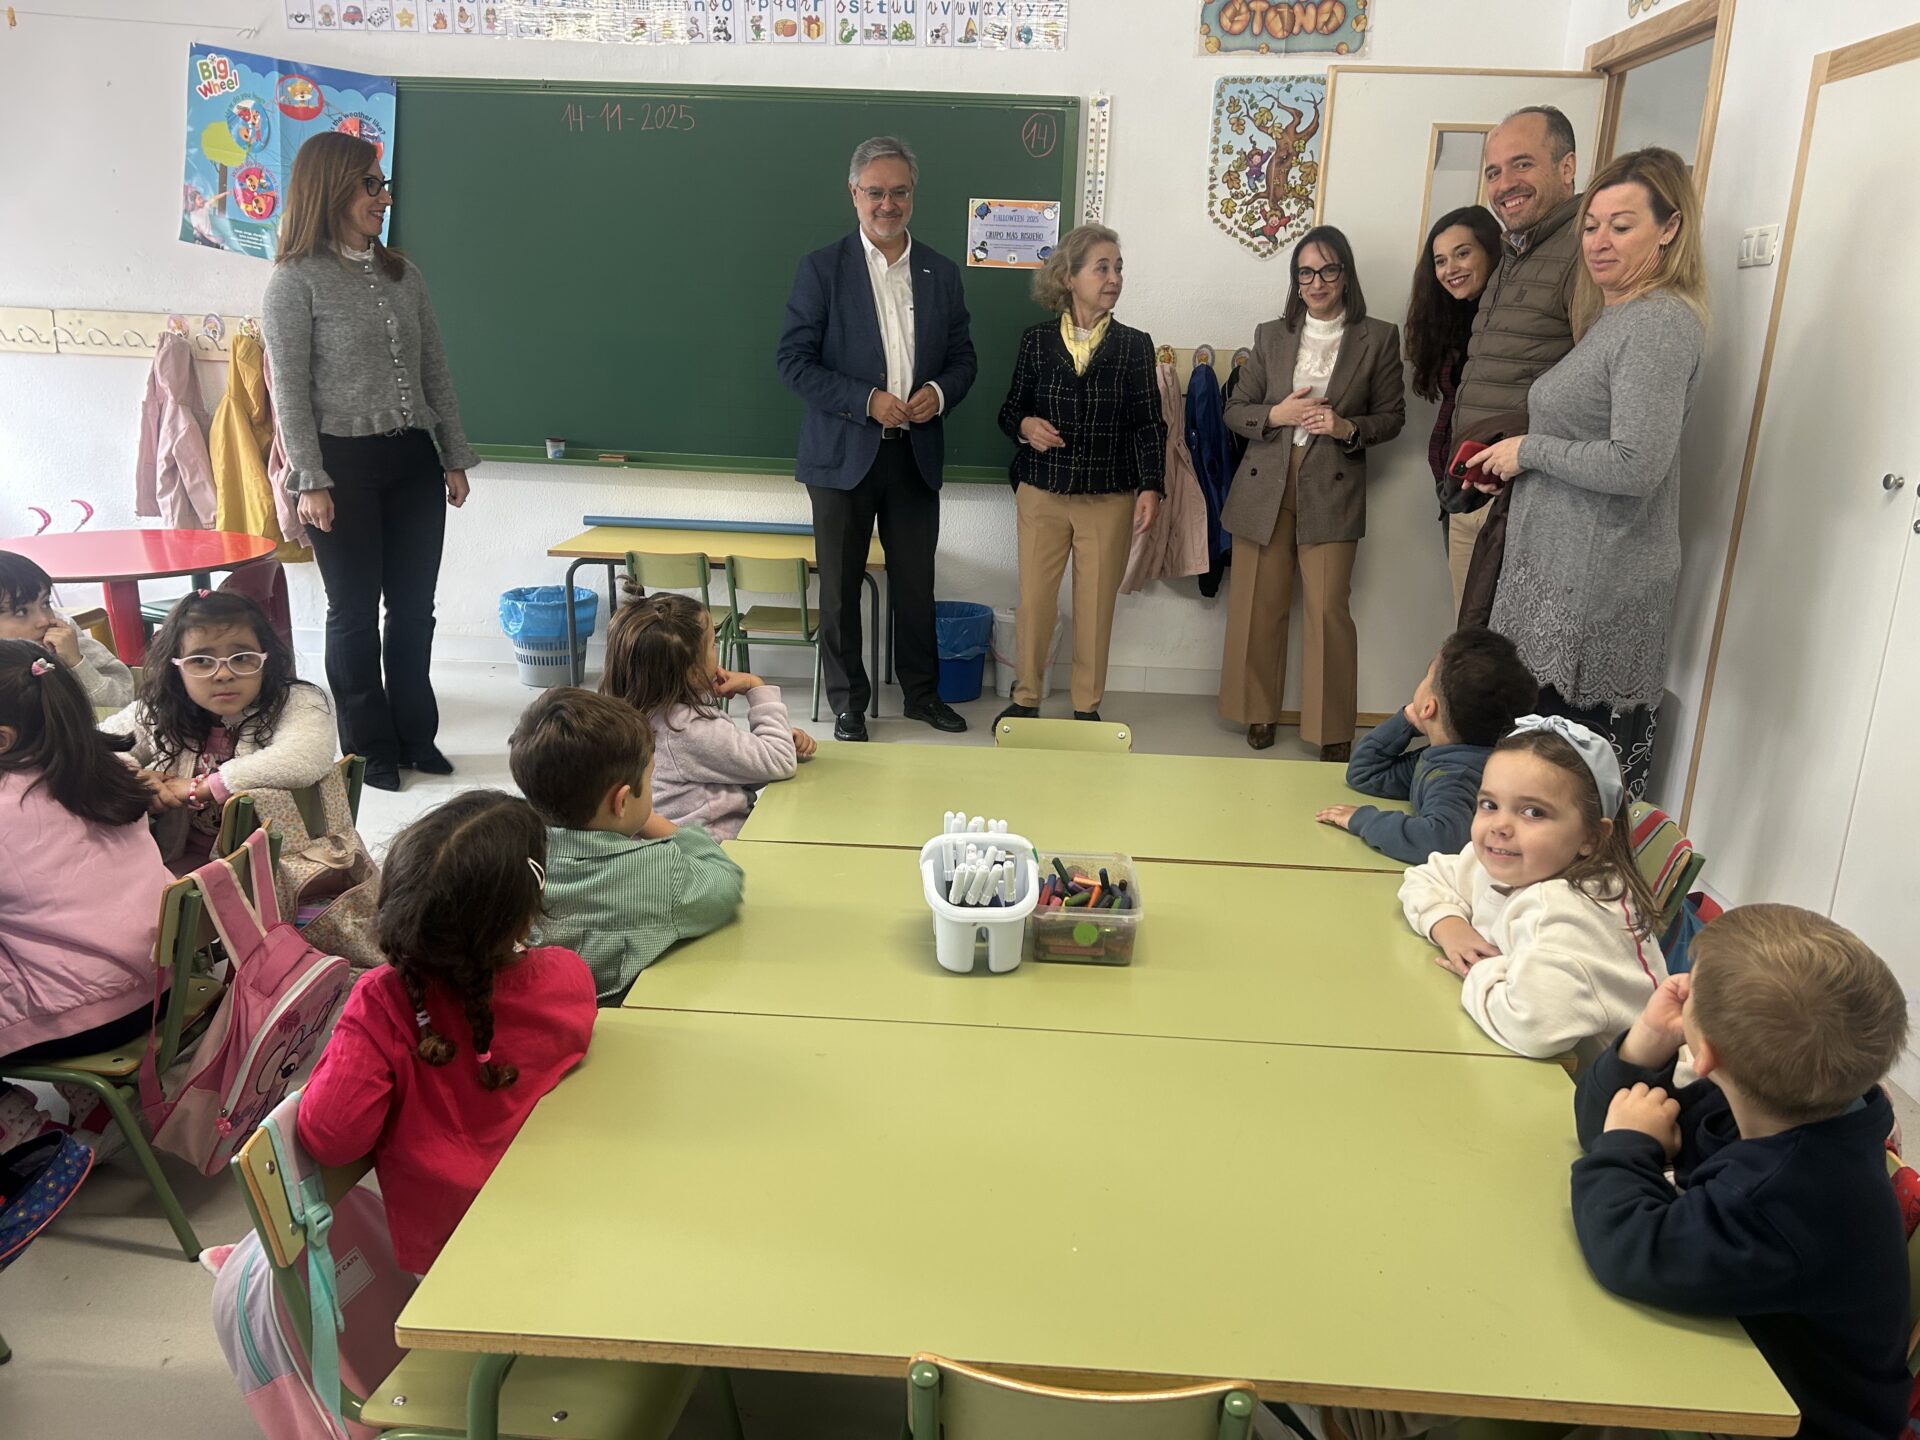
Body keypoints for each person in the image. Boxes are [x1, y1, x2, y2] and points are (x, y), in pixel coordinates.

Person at [1573, 906, 1909, 1440]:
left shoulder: (1789, 1193)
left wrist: (1628, 1145)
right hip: (1739, 1352)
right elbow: (1604, 1125)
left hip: (1791, 1422)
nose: (1678, 985)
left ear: (1705, 1053)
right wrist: (1643, 1045)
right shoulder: (1776, 1099)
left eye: (1691, 986)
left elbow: (1630, 1250)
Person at [1464, 147, 1709, 800]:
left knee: (1568, 793)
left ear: (1670, 228)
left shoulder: (1658, 324)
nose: (1599, 242)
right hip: (1561, 583)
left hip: (1595, 589)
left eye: (1621, 226)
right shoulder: (1618, 318)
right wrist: (1513, 458)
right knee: (1540, 784)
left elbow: (1637, 463)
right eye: (1592, 225)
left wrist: (1530, 452)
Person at [297, 791, 595, 1274]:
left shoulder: (383, 1001)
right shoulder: (567, 977)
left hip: (449, 1257)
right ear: (525, 908)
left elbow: (332, 1139)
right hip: (572, 1217)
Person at [262, 130, 478, 793]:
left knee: (414, 610)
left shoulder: (402, 274)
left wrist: (454, 454)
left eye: (383, 186)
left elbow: (433, 370)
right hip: (342, 468)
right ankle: (367, 749)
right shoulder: (293, 283)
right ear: (332, 190)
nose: (383, 199)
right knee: (353, 612)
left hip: (413, 459)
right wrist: (310, 478)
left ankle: (417, 735)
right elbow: (288, 393)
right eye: (371, 186)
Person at [776, 136, 977, 742]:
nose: (887, 204)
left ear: (912, 195)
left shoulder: (940, 271)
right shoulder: (821, 268)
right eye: (875, 193)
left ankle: (921, 696)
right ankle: (848, 704)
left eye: (899, 192)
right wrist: (866, 402)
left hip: (915, 454)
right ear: (854, 195)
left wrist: (938, 394)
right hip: (841, 458)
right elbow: (793, 362)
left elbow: (964, 357)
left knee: (917, 584)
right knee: (838, 589)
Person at [1219, 225, 1405, 762]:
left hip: (1332, 480)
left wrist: (1346, 427)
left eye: (1328, 270)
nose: (1317, 282)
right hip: (1265, 481)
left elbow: (1392, 417)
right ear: (1295, 280)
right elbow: (1236, 408)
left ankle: (1330, 727)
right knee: (1259, 603)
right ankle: (1259, 711)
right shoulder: (1271, 334)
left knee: (1327, 609)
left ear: (1345, 274)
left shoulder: (1379, 335)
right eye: (1306, 272)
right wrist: (1277, 414)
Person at [1397, 715, 1664, 1061]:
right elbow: (1425, 877)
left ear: (1591, 837)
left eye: (1534, 812)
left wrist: (1480, 970)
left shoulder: (1571, 911)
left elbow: (1532, 1027)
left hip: (1632, 1097)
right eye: (1489, 805)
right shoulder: (1509, 863)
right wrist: (1450, 928)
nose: (1500, 826)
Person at [0, 641, 174, 1149]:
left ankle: (18, 1128)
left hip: (89, 1017)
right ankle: (98, 1105)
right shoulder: (107, 768)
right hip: (165, 987)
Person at [992, 224, 1165, 725]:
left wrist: (1152, 485)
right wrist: (1025, 426)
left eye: (1118, 269)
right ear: (1069, 277)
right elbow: (1010, 411)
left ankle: (1086, 705)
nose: (1113, 278)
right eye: (1102, 268)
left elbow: (1148, 423)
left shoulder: (1136, 345)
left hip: (1108, 496)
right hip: (1042, 491)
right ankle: (1026, 696)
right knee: (1035, 603)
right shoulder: (1037, 341)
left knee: (1095, 608)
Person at [509, 687, 744, 1005]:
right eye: (649, 779)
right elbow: (725, 880)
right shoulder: (662, 872)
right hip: (631, 1029)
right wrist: (652, 823)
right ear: (620, 801)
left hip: (537, 1022)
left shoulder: (507, 864)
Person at [1446, 106, 1585, 620]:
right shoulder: (1514, 252)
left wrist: (1524, 459)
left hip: (1530, 505)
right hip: (1480, 492)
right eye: (1494, 171)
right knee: (1471, 656)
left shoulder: (1583, 253)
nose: (1506, 184)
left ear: (1567, 167)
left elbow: (1595, 394)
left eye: (1522, 164)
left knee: (1504, 665)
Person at [100, 591, 335, 873]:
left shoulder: (297, 701)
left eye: (242, 657)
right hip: (182, 859)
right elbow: (98, 744)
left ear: (266, 660)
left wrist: (203, 787)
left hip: (277, 867)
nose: (223, 673)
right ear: (177, 668)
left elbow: (304, 757)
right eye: (201, 661)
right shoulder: (162, 708)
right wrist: (136, 777)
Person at [600, 590, 813, 842]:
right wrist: (756, 687)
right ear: (691, 674)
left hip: (680, 849)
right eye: (713, 644)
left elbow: (725, 766)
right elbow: (779, 762)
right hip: (711, 854)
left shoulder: (640, 714)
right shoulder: (685, 729)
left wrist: (773, 741)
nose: (717, 650)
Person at [1315, 626, 1537, 865]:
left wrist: (1366, 821)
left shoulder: (1455, 776)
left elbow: (1440, 840)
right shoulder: (1445, 757)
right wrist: (1406, 722)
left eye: (1427, 676)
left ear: (1429, 708)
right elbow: (1365, 773)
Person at [1403, 207, 1501, 555]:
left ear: (1491, 249)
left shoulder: (1507, 322)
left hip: (1496, 490)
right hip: (1454, 488)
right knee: (1466, 608)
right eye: (1440, 261)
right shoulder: (1451, 318)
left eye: (1462, 253)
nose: (1450, 269)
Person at [0, 550, 134, 710]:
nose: (43, 620)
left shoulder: (63, 634)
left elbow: (122, 703)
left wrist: (76, 662)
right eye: (21, 611)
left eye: (45, 603)